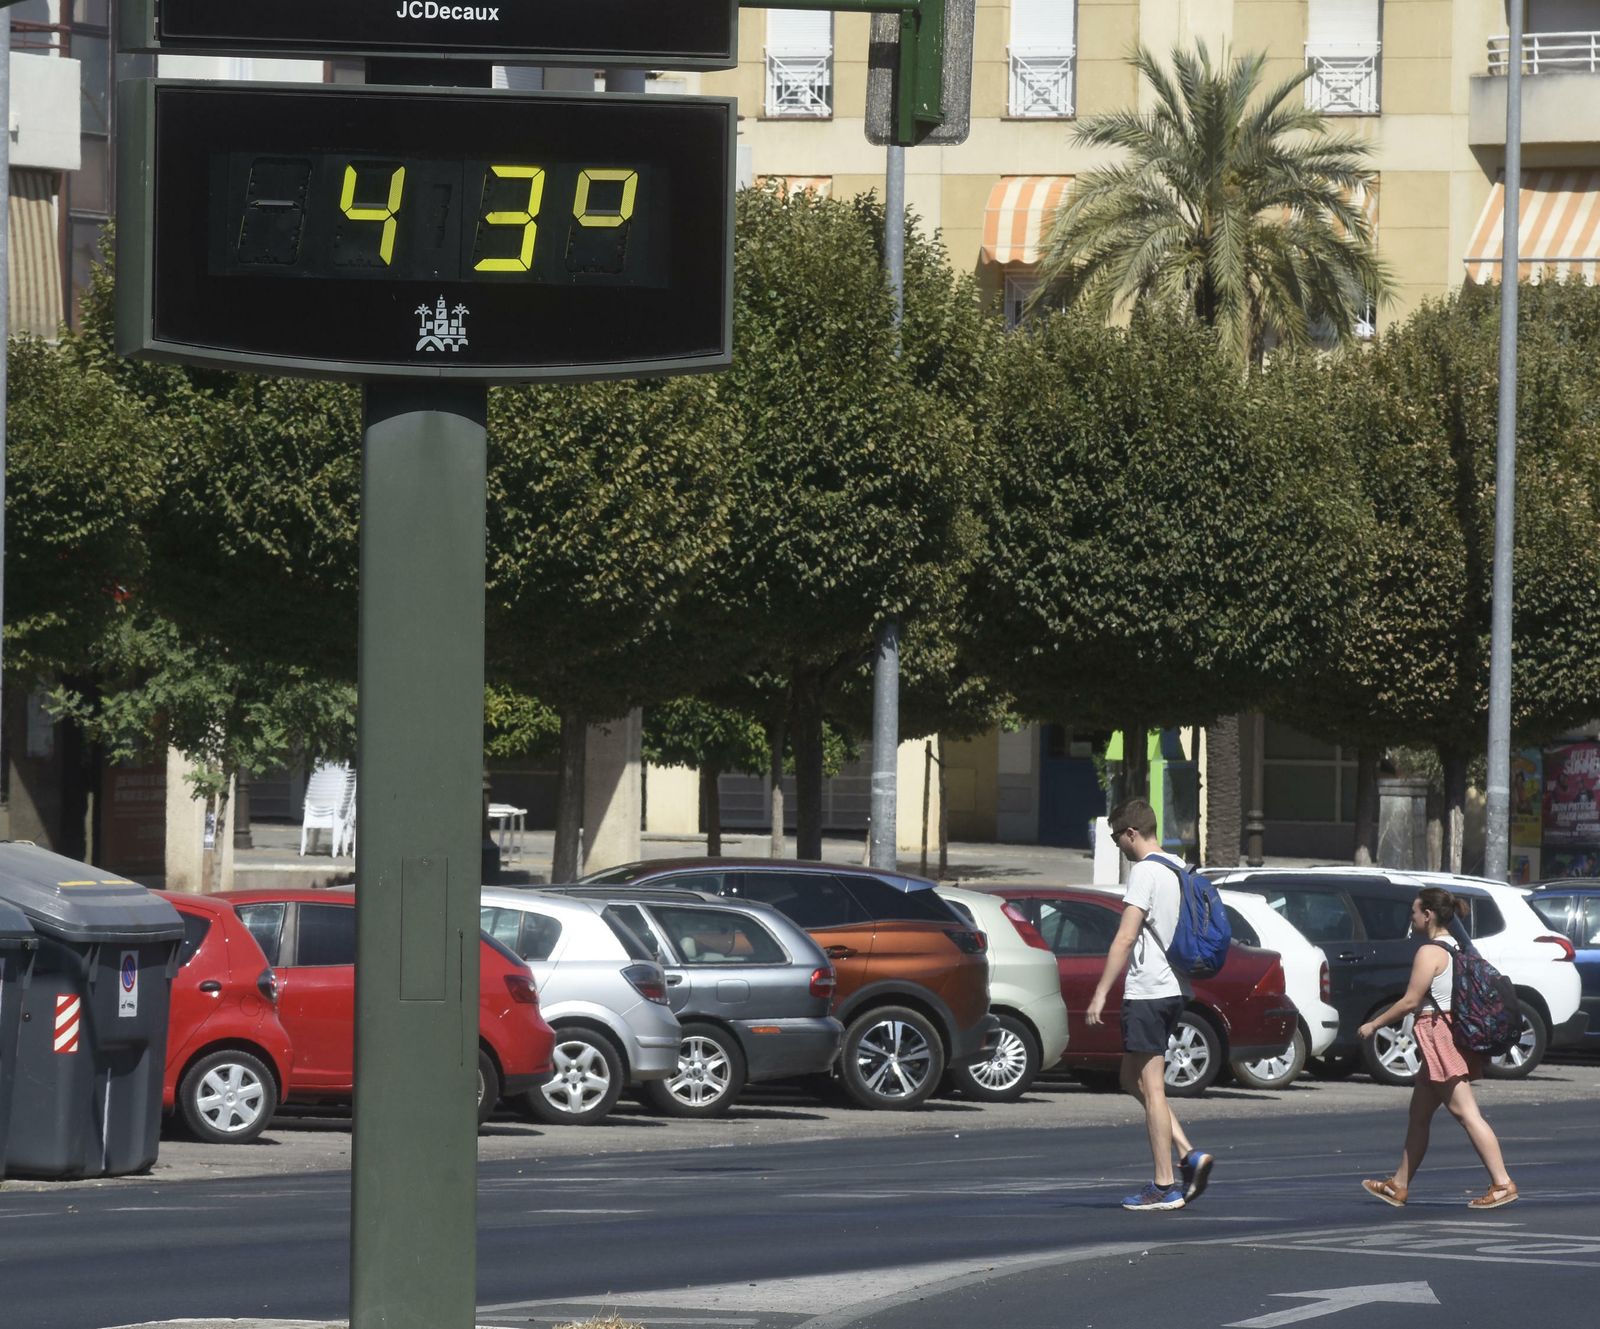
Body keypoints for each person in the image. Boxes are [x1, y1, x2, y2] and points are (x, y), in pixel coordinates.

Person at [1086, 798, 1214, 1211]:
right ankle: (1188, 1153)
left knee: (1153, 1088)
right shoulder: (1177, 867)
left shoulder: (1144, 871)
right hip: (1175, 986)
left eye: (1117, 838)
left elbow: (1125, 937)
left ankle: (1164, 1185)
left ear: (1131, 834)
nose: (1118, 846)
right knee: (1131, 1078)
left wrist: (1102, 990)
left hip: (1149, 990)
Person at [1358, 886, 1518, 1210]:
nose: (1412, 917)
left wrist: (1374, 1025)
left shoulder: (1429, 952)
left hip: (1438, 1035)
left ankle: (1502, 1183)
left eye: (1415, 912)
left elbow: (1411, 1000)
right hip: (1439, 1034)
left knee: (1466, 1113)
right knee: (1419, 1115)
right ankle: (1398, 1185)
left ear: (1428, 914)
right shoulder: (1454, 947)